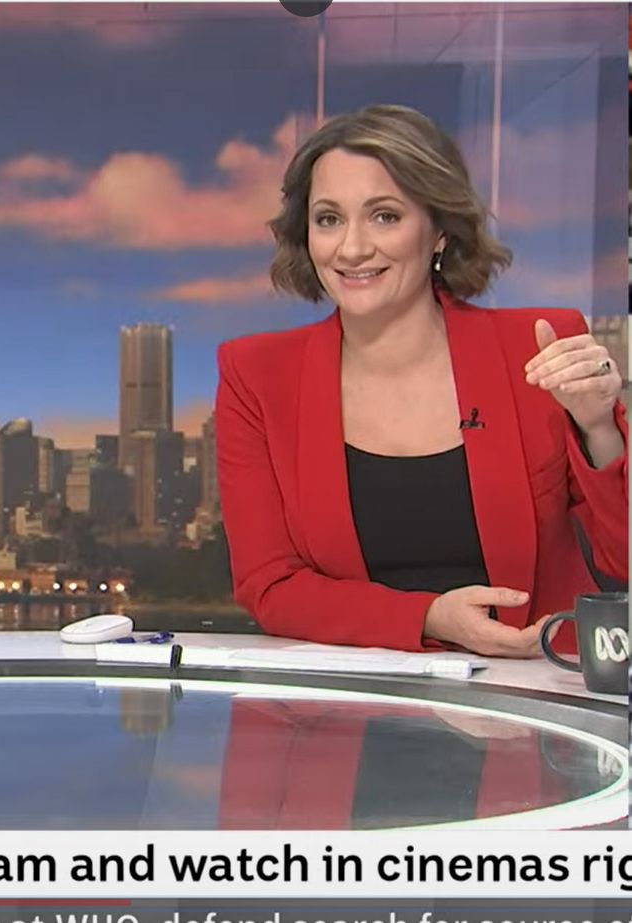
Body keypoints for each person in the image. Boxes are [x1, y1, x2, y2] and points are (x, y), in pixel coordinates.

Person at [216, 104, 627, 657]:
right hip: (359, 695)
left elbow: (623, 558)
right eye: (329, 219)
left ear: (438, 230)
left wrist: (600, 429)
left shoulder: (539, 344)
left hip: (540, 682)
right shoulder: (256, 375)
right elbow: (269, 586)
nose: (352, 248)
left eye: (385, 216)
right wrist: (430, 617)